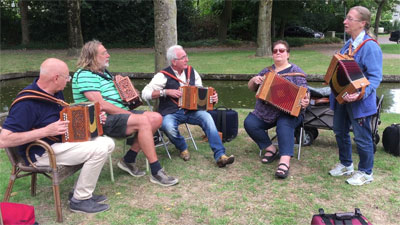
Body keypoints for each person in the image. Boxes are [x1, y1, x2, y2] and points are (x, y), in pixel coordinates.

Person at [0, 58, 115, 214]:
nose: (69, 81)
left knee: (107, 142)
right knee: (99, 147)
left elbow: (64, 119)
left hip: (58, 144)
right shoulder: (26, 104)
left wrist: (93, 119)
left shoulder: (55, 93)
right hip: (39, 153)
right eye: (67, 77)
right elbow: (4, 139)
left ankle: (79, 192)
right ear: (55, 78)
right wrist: (45, 131)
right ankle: (80, 200)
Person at [72, 40, 178, 187]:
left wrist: (129, 91)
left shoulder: (104, 74)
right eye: (104, 53)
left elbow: (121, 99)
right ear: (92, 57)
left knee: (156, 117)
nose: (108, 55)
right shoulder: (84, 75)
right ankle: (156, 171)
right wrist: (129, 114)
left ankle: (128, 159)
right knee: (143, 121)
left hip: (119, 115)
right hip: (101, 120)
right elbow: (100, 104)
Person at [141, 45, 235, 167]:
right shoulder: (163, 76)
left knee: (207, 118)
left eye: (186, 56)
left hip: (191, 111)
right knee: (167, 126)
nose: (187, 60)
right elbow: (144, 93)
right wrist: (165, 92)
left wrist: (212, 99)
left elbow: (202, 93)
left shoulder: (191, 72)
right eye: (183, 57)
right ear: (174, 61)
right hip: (171, 113)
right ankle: (182, 147)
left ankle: (220, 155)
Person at [328, 6, 382, 185]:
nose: (345, 21)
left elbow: (375, 77)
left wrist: (360, 93)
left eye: (350, 19)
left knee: (361, 137)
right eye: (346, 18)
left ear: (362, 23)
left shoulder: (370, 47)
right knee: (339, 131)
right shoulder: (348, 44)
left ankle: (366, 173)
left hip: (360, 102)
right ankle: (346, 165)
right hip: (343, 99)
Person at [244, 40, 310, 179]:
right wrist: (254, 80)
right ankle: (271, 149)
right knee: (250, 123)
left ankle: (284, 161)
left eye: (282, 50)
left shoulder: (297, 73)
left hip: (289, 114)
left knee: (284, 123)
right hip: (266, 113)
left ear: (288, 54)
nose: (278, 53)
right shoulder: (267, 71)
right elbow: (251, 87)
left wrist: (305, 101)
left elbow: (305, 93)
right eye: (275, 51)